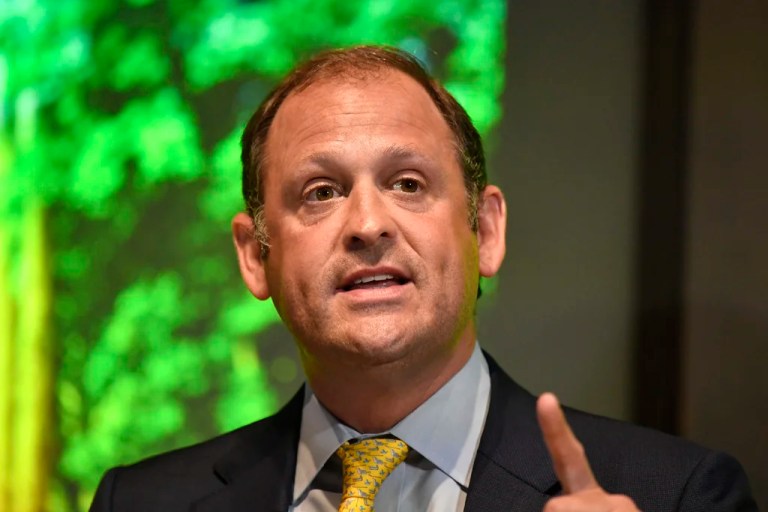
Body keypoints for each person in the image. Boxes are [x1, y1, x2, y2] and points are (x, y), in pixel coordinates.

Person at [89, 45, 756, 512]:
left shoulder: (678, 495)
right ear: (255, 255)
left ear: (485, 231)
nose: (368, 223)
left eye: (408, 183)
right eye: (320, 192)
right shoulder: (142, 503)